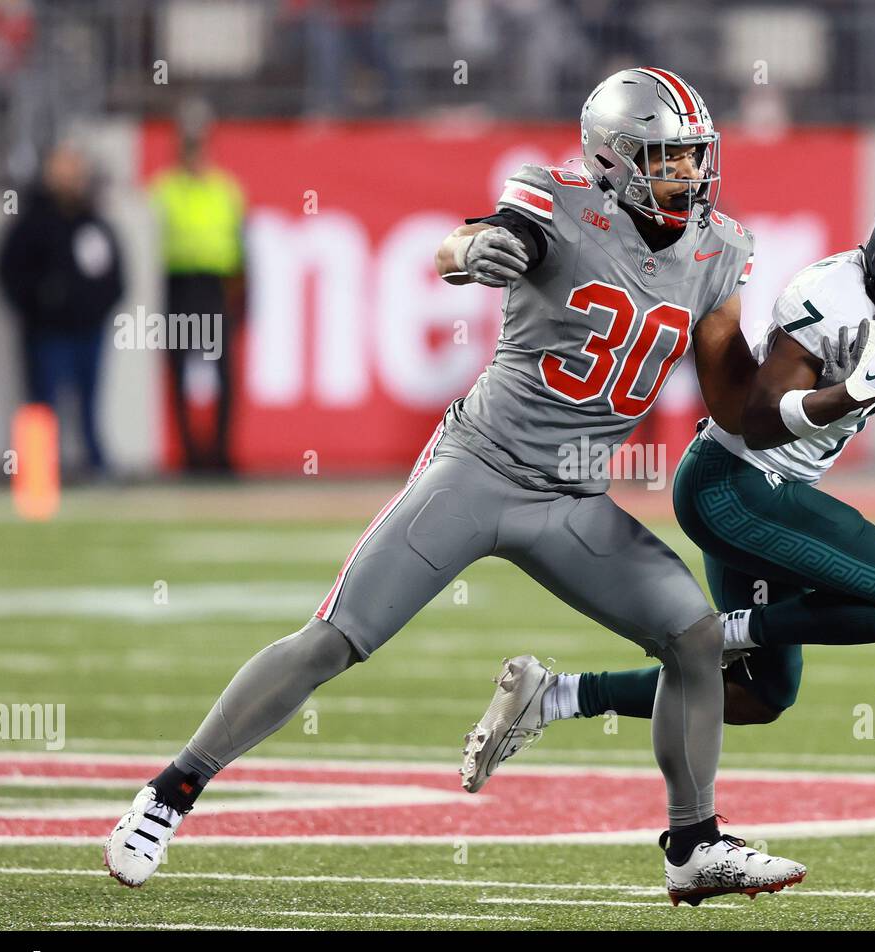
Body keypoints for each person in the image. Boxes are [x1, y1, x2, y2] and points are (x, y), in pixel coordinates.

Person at [105, 68, 805, 908]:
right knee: (337, 637)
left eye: (694, 158)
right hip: (479, 467)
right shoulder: (559, 199)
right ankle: (169, 793)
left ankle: (692, 845)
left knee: (693, 636)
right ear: (614, 162)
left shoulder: (717, 248)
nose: (689, 176)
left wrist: (816, 394)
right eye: (666, 160)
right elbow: (465, 242)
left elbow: (732, 396)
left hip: (573, 500)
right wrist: (471, 251)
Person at [460, 187, 875, 783]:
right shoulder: (831, 301)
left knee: (758, 696)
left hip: (763, 496)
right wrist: (852, 391)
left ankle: (558, 694)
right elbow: (759, 419)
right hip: (734, 486)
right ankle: (727, 630)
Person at [0, 141, 124, 477]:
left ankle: (95, 466)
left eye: (74, 170)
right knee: (42, 404)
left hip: (88, 330)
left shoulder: (93, 222)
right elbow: (8, 273)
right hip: (47, 332)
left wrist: (96, 310)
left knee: (90, 404)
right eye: (62, 169)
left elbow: (115, 276)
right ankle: (36, 472)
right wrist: (38, 305)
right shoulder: (32, 223)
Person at [151, 107, 246, 473]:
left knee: (223, 375)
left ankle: (220, 454)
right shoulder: (164, 190)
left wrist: (241, 298)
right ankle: (191, 455)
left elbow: (240, 248)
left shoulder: (225, 190)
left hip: (214, 287)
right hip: (177, 286)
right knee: (178, 373)